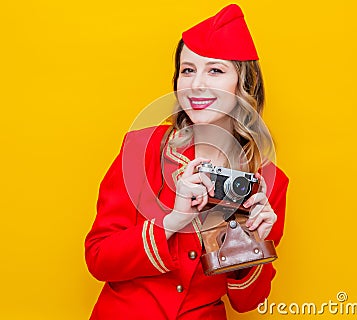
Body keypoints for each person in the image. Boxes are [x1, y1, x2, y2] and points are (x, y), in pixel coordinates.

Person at [85, 4, 289, 319]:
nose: (196, 85)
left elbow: (247, 303)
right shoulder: (143, 148)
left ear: (243, 84)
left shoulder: (266, 181)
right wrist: (172, 221)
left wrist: (253, 244)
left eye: (216, 70)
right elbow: (98, 259)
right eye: (188, 70)